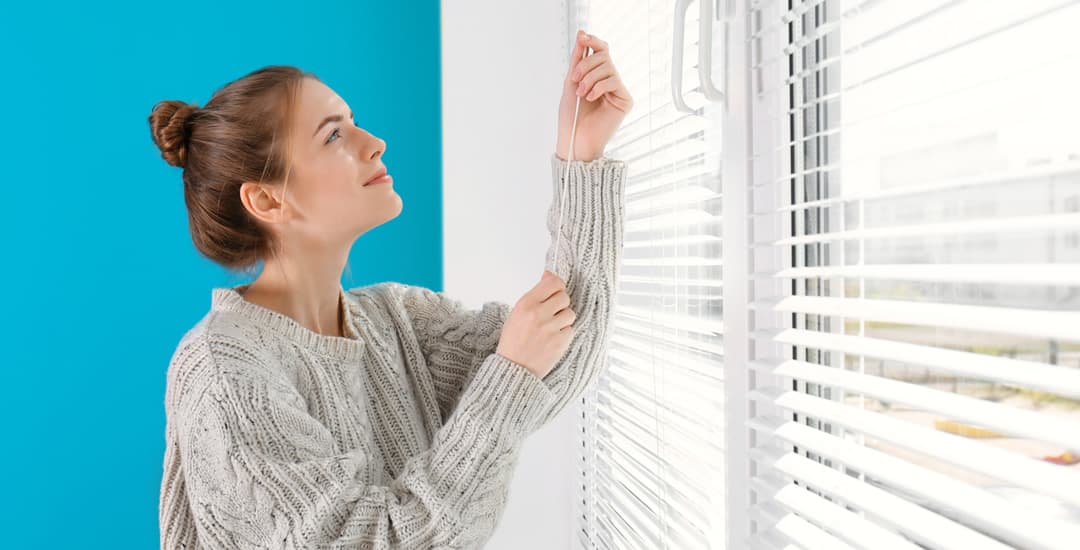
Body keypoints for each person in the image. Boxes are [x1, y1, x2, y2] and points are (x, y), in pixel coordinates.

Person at [152, 28, 632, 550]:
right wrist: (508, 378)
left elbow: (562, 343)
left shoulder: (396, 319)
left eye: (353, 123)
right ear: (268, 201)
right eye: (333, 135)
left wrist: (580, 153)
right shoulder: (225, 372)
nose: (374, 142)